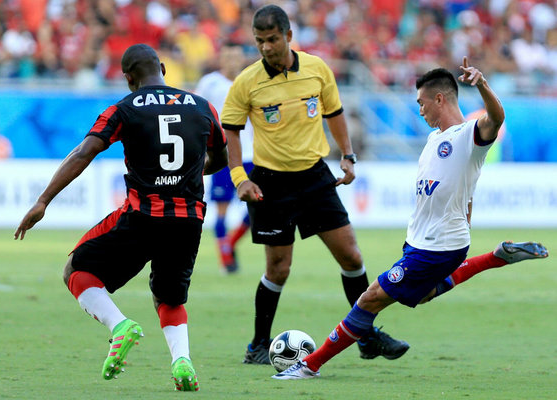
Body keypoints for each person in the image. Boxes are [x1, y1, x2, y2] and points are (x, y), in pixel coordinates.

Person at [273, 57, 550, 380]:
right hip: (422, 242)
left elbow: (496, 118)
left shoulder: (468, 136)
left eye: (422, 103)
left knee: (370, 297)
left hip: (438, 246)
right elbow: (464, 192)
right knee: (423, 293)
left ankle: (309, 365)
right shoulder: (434, 140)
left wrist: (483, 85)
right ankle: (495, 257)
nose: (420, 111)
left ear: (439, 99)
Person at [14, 44, 228, 391]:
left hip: (143, 215)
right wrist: (191, 173)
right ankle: (182, 361)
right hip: (189, 219)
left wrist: (43, 201)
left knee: (76, 270)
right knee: (170, 297)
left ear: (129, 79)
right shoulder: (203, 107)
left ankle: (119, 326)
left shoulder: (124, 109)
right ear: (162, 67)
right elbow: (222, 155)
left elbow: (86, 151)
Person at [220, 4, 409, 365]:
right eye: (259, 41)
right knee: (278, 268)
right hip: (271, 182)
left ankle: (367, 337)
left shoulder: (317, 69)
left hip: (314, 176)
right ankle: (258, 344)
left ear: (289, 36)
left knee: (352, 256)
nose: (266, 48)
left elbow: (334, 112)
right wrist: (239, 178)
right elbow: (231, 130)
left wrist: (348, 155)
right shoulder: (247, 81)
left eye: (272, 39)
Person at [195, 42, 254, 273]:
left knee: (256, 209)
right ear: (221, 58)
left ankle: (229, 244)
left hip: (249, 154)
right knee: (221, 208)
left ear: (242, 59)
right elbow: (197, 113)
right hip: (221, 156)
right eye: (228, 56)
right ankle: (226, 259)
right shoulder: (210, 83)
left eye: (236, 57)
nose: (232, 61)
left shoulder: (250, 80)